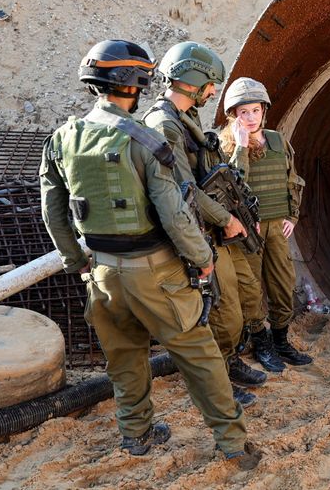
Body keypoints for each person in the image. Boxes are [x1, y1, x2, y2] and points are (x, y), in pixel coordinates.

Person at [39, 40, 259, 468]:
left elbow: (52, 211)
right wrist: (202, 259)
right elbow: (174, 213)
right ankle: (232, 443)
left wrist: (77, 262)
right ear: (134, 84)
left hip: (101, 272)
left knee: (124, 360)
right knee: (200, 356)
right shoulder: (143, 140)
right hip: (157, 273)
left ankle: (135, 435)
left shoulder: (61, 138)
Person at [141, 41, 270, 406]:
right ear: (194, 81)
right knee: (212, 308)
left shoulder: (187, 118)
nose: (214, 92)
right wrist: (227, 218)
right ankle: (217, 381)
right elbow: (184, 191)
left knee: (229, 303)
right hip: (192, 230)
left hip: (209, 225)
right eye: (211, 84)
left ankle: (228, 362)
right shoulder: (164, 124)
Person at [219, 77, 314, 370]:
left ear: (264, 111)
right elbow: (232, 186)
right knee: (250, 291)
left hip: (276, 226)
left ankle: (282, 341)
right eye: (243, 112)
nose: (250, 117)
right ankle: (261, 344)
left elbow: (292, 180)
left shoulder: (277, 140)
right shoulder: (226, 145)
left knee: (283, 286)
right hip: (248, 230)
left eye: (255, 111)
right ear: (234, 114)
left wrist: (292, 216)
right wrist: (241, 148)